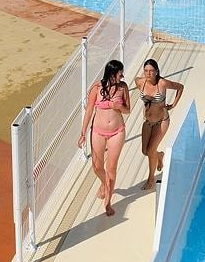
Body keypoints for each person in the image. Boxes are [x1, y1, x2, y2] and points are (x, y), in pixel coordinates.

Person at [78, 59, 130, 216]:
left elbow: (128, 110)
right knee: (97, 167)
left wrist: (118, 106)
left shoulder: (123, 87)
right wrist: (83, 133)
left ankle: (108, 202)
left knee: (111, 168)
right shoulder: (96, 88)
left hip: (117, 132)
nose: (122, 76)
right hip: (98, 131)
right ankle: (105, 183)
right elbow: (89, 111)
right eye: (120, 74)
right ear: (112, 74)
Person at [134, 59, 184, 191]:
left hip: (162, 121)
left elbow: (180, 87)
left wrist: (173, 104)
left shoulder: (162, 83)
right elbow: (135, 79)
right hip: (148, 122)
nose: (148, 73)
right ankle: (160, 155)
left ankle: (151, 179)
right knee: (145, 151)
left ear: (156, 71)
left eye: (151, 71)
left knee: (151, 150)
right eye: (146, 70)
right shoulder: (140, 82)